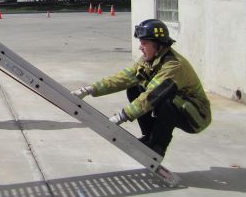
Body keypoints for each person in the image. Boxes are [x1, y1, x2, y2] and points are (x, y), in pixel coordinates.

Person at [71, 19, 211, 157]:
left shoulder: (173, 66)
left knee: (168, 101)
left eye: (144, 43)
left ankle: (157, 147)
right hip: (181, 107)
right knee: (134, 88)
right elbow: (123, 78)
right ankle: (149, 136)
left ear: (158, 45)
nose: (140, 47)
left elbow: (152, 95)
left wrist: (122, 116)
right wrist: (89, 90)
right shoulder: (148, 60)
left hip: (196, 116)